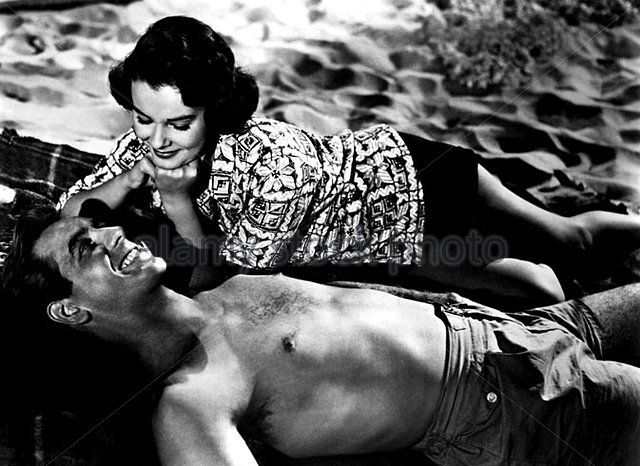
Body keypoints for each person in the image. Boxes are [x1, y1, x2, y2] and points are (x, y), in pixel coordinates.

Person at [4, 207, 640, 466]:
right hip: (512, 408)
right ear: (70, 311)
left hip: (514, 329)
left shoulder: (220, 284)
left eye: (98, 223)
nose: (113, 232)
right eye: (85, 247)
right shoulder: (187, 407)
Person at [57, 15, 640, 306]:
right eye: (143, 118)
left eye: (180, 123)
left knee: (570, 244)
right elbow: (70, 209)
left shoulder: (274, 167)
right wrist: (126, 179)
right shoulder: (147, 145)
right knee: (539, 292)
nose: (158, 140)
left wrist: (178, 199)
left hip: (418, 183)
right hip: (387, 249)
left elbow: (223, 279)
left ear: (217, 110)